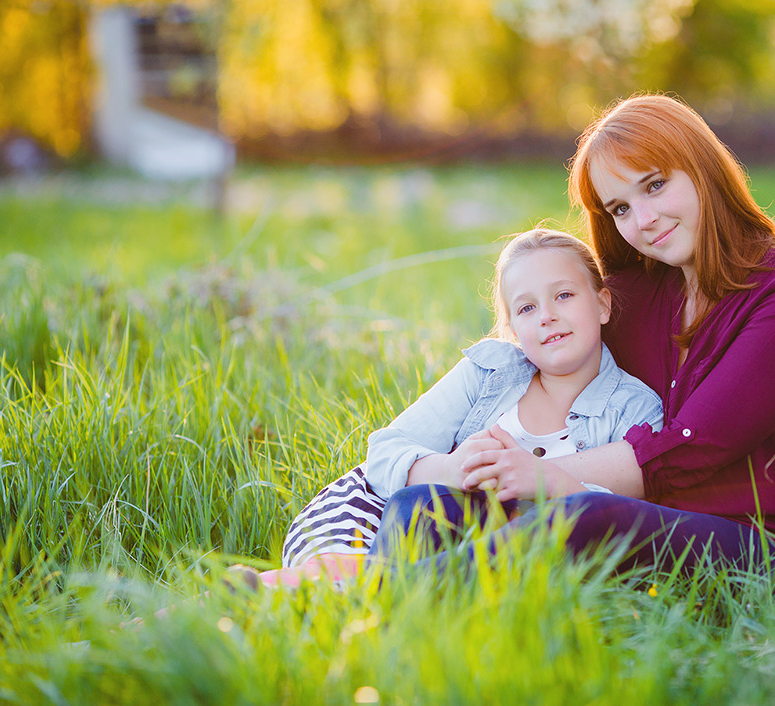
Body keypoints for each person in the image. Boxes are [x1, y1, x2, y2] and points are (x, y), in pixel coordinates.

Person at [369, 94, 775, 576]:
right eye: (619, 208)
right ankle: (395, 614)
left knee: (584, 517)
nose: (643, 220)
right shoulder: (630, 295)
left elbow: (692, 448)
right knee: (422, 504)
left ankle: (366, 597)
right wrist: (444, 465)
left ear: (703, 168)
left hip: (754, 546)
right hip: (625, 518)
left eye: (655, 185)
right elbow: (537, 355)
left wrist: (532, 475)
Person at [259, 228, 663, 587]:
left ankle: (285, 590)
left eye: (563, 295)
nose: (547, 316)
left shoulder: (636, 410)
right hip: (383, 506)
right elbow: (385, 451)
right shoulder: (489, 372)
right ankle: (293, 592)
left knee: (415, 578)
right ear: (513, 331)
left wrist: (545, 480)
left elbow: (624, 520)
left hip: (499, 546)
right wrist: (454, 468)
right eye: (526, 308)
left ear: (603, 304)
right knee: (373, 549)